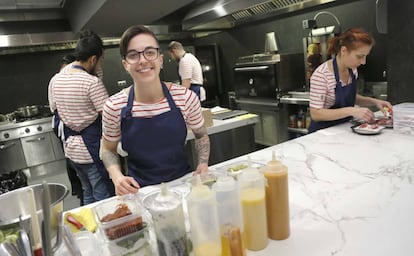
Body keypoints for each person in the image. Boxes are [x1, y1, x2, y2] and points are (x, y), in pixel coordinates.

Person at [100, 25, 210, 196]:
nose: (143, 60)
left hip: (182, 185)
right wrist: (117, 177)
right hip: (139, 191)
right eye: (133, 55)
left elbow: (201, 135)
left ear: (160, 59)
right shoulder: (114, 106)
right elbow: (107, 149)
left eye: (149, 52)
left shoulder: (185, 97)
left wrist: (203, 163)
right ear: (125, 64)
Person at [48, 30, 114, 205]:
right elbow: (108, 115)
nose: (101, 64)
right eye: (100, 60)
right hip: (90, 149)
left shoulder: (56, 79)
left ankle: (88, 227)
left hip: (71, 148)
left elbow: (55, 108)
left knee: (87, 191)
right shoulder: (91, 83)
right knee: (102, 194)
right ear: (93, 59)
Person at [308, 27, 392, 133]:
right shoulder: (322, 75)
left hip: (343, 129)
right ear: (344, 51)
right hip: (322, 134)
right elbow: (316, 114)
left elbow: (350, 97)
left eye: (365, 56)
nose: (363, 62)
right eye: (360, 56)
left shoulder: (353, 71)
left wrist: (374, 101)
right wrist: (351, 111)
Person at [55, 54, 84, 205]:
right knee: (75, 165)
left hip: (69, 131)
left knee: (74, 163)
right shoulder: (59, 80)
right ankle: (78, 190)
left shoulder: (57, 80)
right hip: (69, 129)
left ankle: (79, 192)